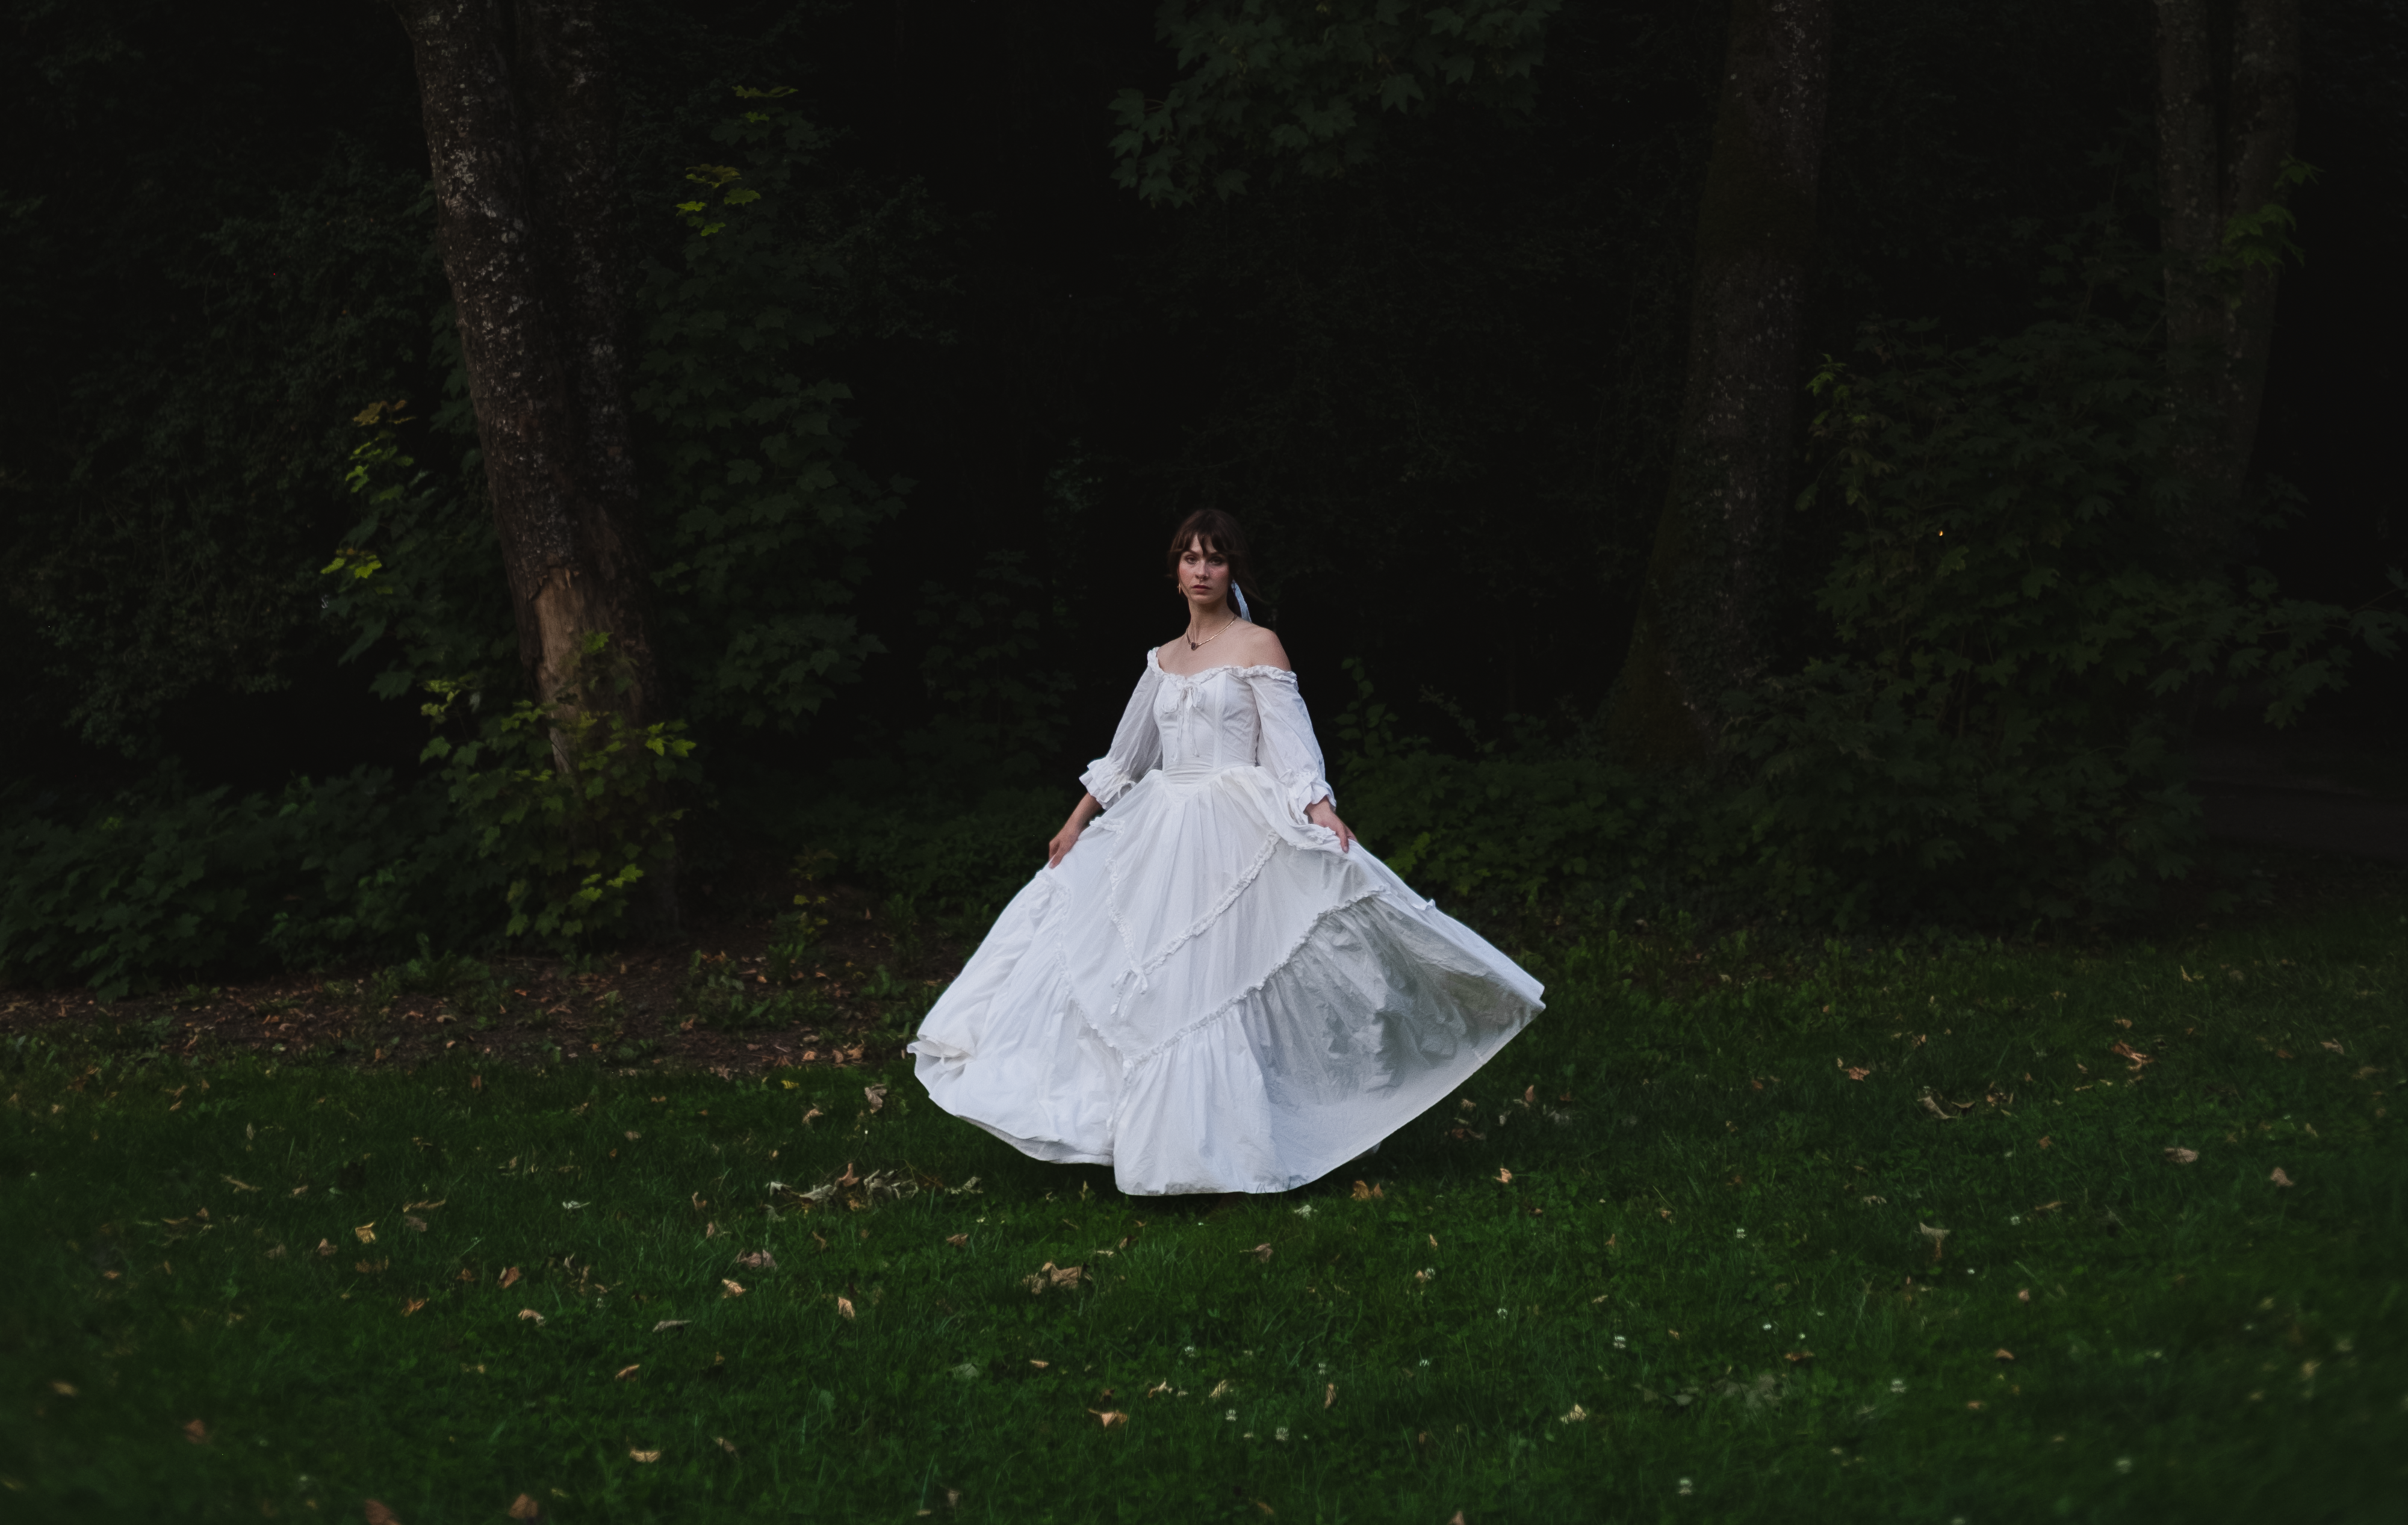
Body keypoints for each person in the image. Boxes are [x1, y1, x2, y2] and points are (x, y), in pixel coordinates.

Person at [909, 510, 1542, 1196]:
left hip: (1232, 825)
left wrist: (1320, 809)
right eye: (1189, 557)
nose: (1202, 569)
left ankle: (1215, 1147)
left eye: (1214, 558)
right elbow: (1127, 756)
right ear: (1175, 571)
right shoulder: (1161, 658)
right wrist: (1076, 822)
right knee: (1138, 972)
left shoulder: (1258, 645)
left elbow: (1290, 746)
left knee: (1210, 979)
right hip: (1158, 825)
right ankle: (1130, 1134)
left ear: (1232, 569)